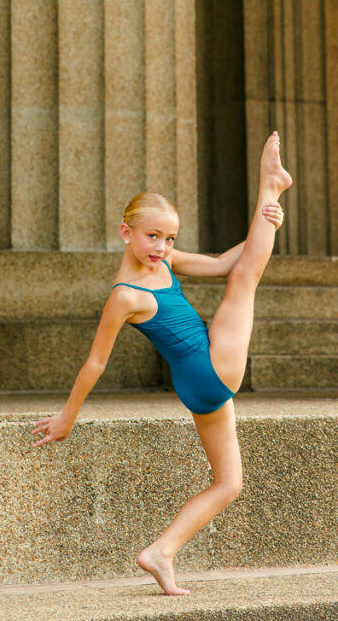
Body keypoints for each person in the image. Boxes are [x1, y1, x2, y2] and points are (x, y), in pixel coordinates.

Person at [31, 130, 292, 595]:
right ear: (126, 233)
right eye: (152, 236)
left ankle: (161, 552)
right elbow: (95, 363)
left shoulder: (164, 263)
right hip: (207, 370)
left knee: (229, 483)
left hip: (201, 379)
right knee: (246, 282)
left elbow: (224, 262)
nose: (161, 246)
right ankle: (269, 183)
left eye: (169, 238)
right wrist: (67, 418)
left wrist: (266, 223)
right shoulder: (125, 296)